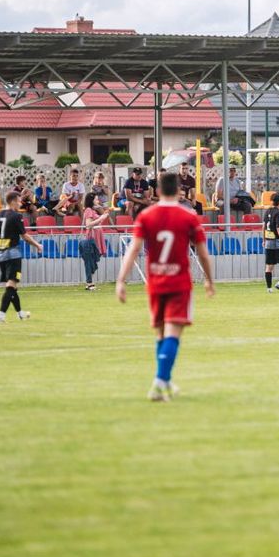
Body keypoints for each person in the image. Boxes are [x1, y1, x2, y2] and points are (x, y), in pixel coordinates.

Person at [116, 172, 215, 402]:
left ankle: (165, 380)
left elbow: (133, 249)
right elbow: (202, 252)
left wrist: (121, 280)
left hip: (155, 283)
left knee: (161, 333)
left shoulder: (147, 215)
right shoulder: (188, 216)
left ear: (157, 191)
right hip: (179, 283)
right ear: (180, 191)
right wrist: (209, 279)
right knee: (172, 333)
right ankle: (159, 382)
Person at [0, 191, 44, 323]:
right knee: (11, 285)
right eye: (18, 201)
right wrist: (37, 245)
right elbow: (24, 236)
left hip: (1, 255)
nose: (20, 203)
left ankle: (20, 313)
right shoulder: (17, 216)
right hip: (13, 254)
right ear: (12, 201)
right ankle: (0, 315)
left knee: (13, 286)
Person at [79, 191, 111, 291]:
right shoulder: (88, 210)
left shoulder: (93, 210)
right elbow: (88, 224)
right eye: (96, 199)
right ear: (91, 200)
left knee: (93, 260)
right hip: (92, 237)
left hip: (97, 236)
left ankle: (90, 282)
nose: (98, 201)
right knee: (90, 260)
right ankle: (90, 283)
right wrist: (101, 217)